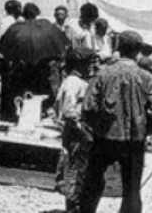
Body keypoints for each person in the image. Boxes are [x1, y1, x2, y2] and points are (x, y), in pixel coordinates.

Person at [78, 31, 152, 213]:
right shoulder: (147, 78)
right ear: (139, 51)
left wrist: (99, 127)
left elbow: (87, 108)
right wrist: (144, 130)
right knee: (132, 189)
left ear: (118, 47)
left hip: (104, 139)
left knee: (92, 183)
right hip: (134, 141)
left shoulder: (103, 74)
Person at [55, 47, 95, 213]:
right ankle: (73, 206)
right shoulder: (74, 82)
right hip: (77, 134)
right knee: (76, 171)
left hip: (77, 132)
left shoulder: (76, 81)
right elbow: (68, 110)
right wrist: (84, 131)